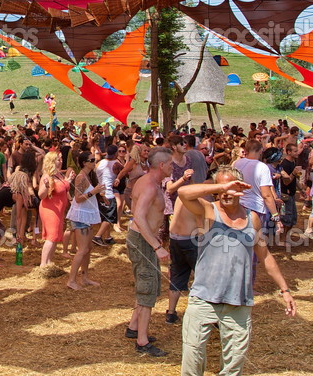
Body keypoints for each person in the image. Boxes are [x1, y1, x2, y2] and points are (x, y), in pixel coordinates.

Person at [177, 166, 296, 376]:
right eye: (222, 189)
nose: (226, 194)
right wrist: (223, 186)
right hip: (203, 299)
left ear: (242, 190)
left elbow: (265, 256)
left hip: (238, 301)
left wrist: (285, 290)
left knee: (234, 366)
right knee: (192, 359)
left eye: (233, 188)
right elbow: (183, 192)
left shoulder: (253, 219)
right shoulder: (207, 211)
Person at [125, 148, 172, 357]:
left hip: (144, 240)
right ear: (161, 165)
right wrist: (156, 245)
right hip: (143, 241)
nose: (173, 166)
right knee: (147, 288)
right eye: (170, 163)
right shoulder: (150, 186)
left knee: (148, 284)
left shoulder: (149, 182)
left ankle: (133, 327)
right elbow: (139, 216)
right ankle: (142, 341)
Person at [65, 150, 102, 290]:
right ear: (85, 163)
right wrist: (94, 192)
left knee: (88, 248)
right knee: (82, 250)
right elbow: (78, 198)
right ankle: (71, 280)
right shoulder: (81, 177)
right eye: (92, 160)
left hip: (86, 216)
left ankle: (84, 277)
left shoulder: (88, 176)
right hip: (80, 216)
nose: (94, 162)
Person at [165, 187, 199, 325]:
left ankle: (171, 313)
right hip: (190, 239)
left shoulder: (180, 198)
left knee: (177, 275)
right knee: (202, 276)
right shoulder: (202, 199)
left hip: (175, 238)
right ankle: (201, 313)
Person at [37, 151, 72, 265]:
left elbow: (63, 188)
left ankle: (49, 262)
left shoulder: (59, 175)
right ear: (51, 162)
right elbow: (41, 195)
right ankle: (43, 265)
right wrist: (46, 186)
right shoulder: (47, 176)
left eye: (61, 159)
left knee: (56, 236)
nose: (61, 161)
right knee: (51, 236)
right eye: (58, 160)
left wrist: (69, 181)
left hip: (59, 209)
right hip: (50, 209)